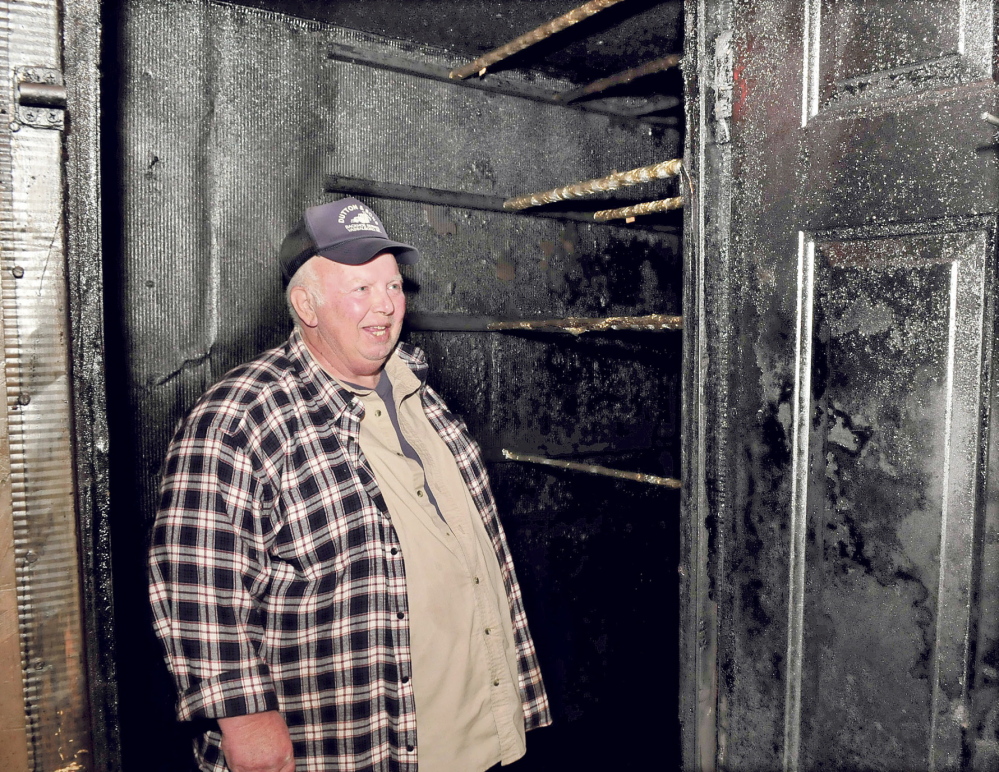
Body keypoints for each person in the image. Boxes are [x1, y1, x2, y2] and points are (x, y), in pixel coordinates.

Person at [148, 198, 551, 772]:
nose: (385, 306)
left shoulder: (417, 391)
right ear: (305, 303)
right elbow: (196, 584)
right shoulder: (240, 416)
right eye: (360, 289)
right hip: (349, 742)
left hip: (468, 728)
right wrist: (246, 721)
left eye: (392, 286)